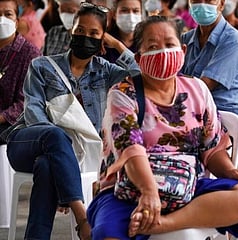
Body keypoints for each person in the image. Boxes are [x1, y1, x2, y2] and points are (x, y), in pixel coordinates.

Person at [86, 15, 238, 239]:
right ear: (140, 57)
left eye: (169, 45)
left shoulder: (197, 89)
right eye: (153, 46)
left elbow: (212, 148)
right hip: (129, 190)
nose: (162, 52)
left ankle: (161, 224)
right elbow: (130, 151)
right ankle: (153, 218)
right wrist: (149, 192)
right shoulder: (123, 93)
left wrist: (231, 171)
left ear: (182, 50)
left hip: (188, 186)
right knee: (108, 235)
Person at [5, 2, 138, 239]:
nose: (85, 36)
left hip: (74, 155)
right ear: (71, 31)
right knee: (55, 136)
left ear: (102, 38)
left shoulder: (106, 71)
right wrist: (61, 151)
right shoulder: (42, 65)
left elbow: (141, 76)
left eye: (94, 33)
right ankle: (82, 218)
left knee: (47, 166)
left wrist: (117, 45)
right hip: (27, 141)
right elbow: (34, 113)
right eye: (80, 31)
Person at [180, 0, 238, 116]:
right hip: (189, 108)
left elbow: (204, 87)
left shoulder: (233, 40)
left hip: (220, 115)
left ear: (221, 4)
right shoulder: (186, 38)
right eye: (195, 0)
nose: (202, 4)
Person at [0, 0, 41, 144]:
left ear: (16, 22)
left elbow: (28, 102)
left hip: (14, 125)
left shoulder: (30, 54)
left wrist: (2, 117)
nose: (2, 19)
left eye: (7, 14)